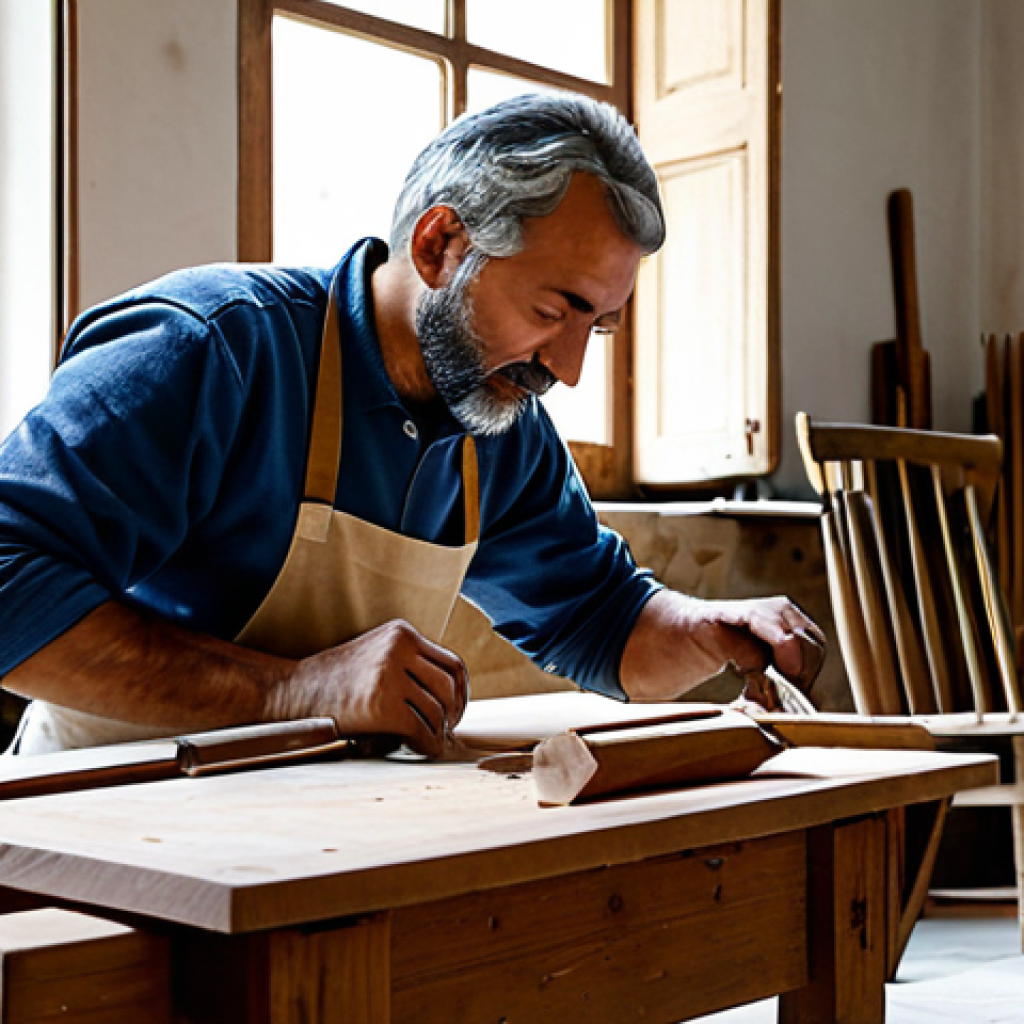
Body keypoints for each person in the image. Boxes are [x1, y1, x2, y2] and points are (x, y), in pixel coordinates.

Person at [0, 93, 823, 757]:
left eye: (597, 327)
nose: (568, 369)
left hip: (316, 830)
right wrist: (296, 692)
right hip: (104, 818)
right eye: (554, 309)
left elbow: (601, 622)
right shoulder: (213, 347)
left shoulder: (500, 421)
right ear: (440, 244)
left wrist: (706, 628)